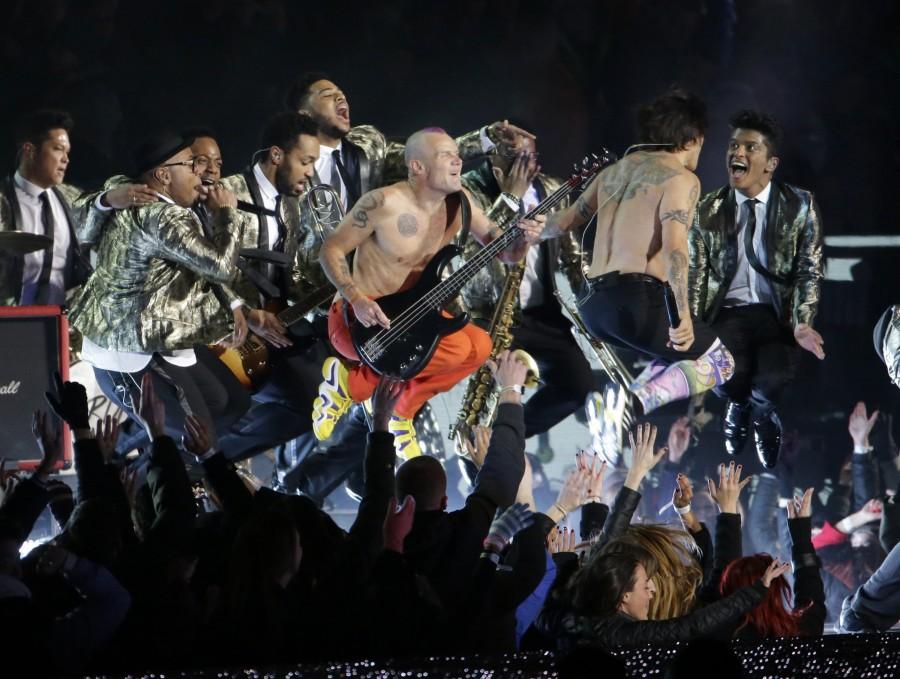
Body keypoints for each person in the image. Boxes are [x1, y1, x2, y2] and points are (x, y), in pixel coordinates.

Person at [315, 128, 545, 456]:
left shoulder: (460, 201)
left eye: (457, 154)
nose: (458, 160)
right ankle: (350, 384)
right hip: (359, 322)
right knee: (459, 347)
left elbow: (505, 253)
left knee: (479, 346)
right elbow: (331, 251)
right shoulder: (383, 202)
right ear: (418, 167)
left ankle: (401, 411)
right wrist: (356, 298)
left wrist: (524, 239)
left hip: (412, 320)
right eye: (445, 155)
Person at [539, 88, 734, 415]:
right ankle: (631, 406)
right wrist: (682, 314)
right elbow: (675, 249)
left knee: (672, 355)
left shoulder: (612, 172)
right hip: (633, 304)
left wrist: (523, 228)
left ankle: (617, 411)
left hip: (593, 308)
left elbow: (562, 223)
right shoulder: (682, 178)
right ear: (691, 139)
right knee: (720, 363)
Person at [69, 131, 250, 442]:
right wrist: (227, 214)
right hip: (127, 348)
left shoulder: (128, 193)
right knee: (198, 433)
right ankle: (170, 480)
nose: (201, 172)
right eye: (192, 164)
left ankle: (183, 470)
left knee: (227, 403)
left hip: (156, 337)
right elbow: (220, 267)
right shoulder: (163, 215)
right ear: (164, 175)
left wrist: (107, 198)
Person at [690, 110, 824, 468]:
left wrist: (802, 321)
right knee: (721, 377)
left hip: (775, 316)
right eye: (734, 145)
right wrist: (691, 326)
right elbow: (695, 274)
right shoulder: (706, 209)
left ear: (770, 163)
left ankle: (763, 415)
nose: (739, 153)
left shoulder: (799, 205)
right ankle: (737, 405)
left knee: (772, 381)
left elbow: (809, 268)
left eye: (751, 147)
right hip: (726, 314)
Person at [460, 127, 599, 444]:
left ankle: (503, 439)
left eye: (532, 157)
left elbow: (572, 257)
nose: (529, 167)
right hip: (489, 314)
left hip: (540, 313)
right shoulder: (468, 190)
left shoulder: (550, 187)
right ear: (495, 160)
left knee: (577, 384)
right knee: (487, 397)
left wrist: (594, 303)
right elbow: (476, 255)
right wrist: (512, 196)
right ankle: (477, 449)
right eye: (518, 159)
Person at [0, 109, 92, 306]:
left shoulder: (72, 198)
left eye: (67, 152)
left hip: (60, 325)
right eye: (58, 149)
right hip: (8, 323)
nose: (66, 159)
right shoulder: (2, 199)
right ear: (29, 150)